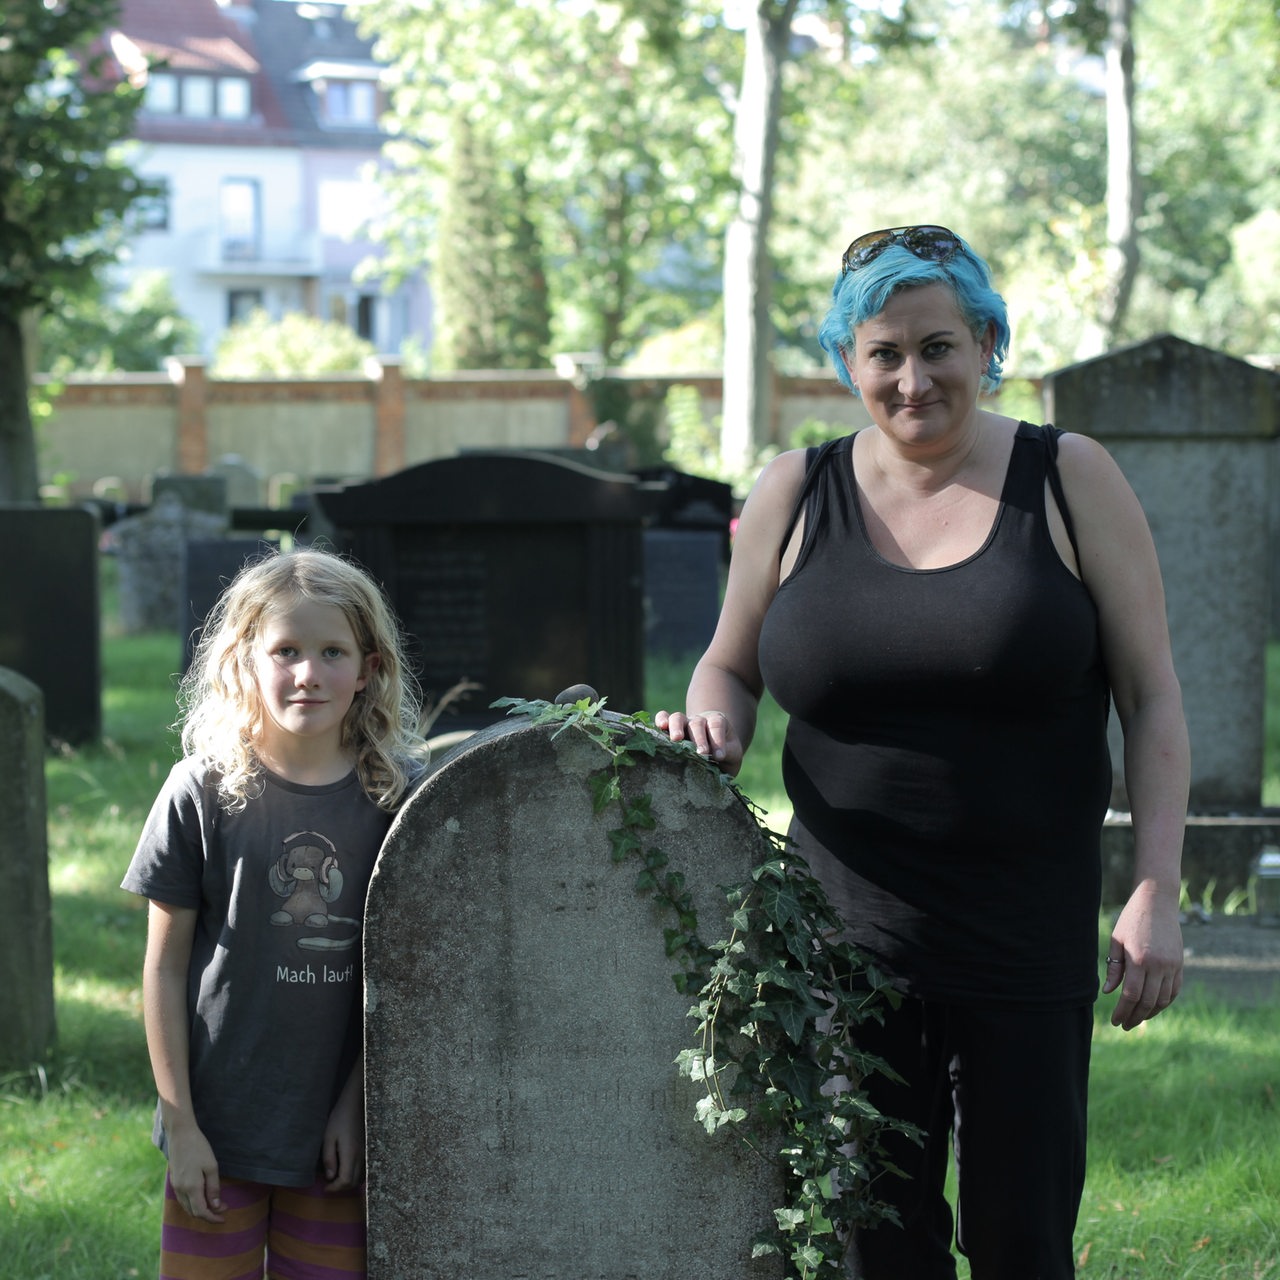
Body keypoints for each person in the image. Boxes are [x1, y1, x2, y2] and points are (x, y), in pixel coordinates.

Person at [656, 225, 1188, 1279]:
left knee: (1019, 1238)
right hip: (842, 943)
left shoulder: (1067, 477)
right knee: (868, 1241)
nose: (912, 378)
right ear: (847, 361)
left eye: (938, 345)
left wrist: (1154, 886)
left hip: (1022, 936)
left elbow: (1152, 693)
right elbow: (726, 664)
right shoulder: (792, 491)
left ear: (987, 343)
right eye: (882, 352)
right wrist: (711, 716)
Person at [122, 547, 427, 1280]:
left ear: (370, 668)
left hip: (334, 1136)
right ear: (243, 661)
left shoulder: (400, 797)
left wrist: (356, 1107)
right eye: (285, 650)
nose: (308, 673)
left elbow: (403, 980)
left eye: (332, 652)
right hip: (218, 1127)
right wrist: (182, 1122)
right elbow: (164, 968)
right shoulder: (198, 790)